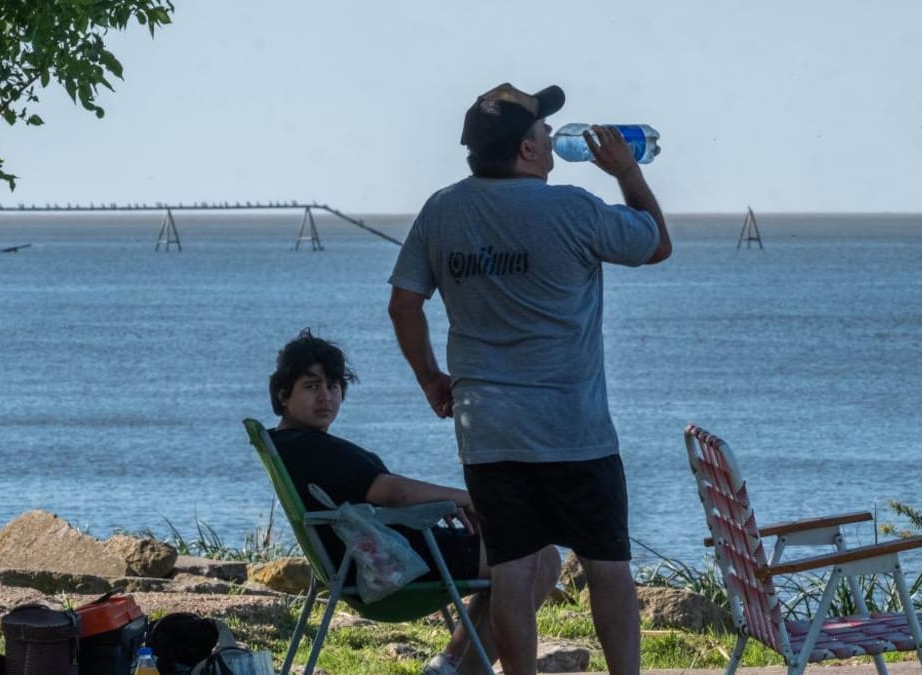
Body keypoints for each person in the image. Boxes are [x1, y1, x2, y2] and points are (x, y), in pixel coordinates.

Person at [387, 83, 672, 675]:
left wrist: (430, 378)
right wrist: (626, 172)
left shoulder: (442, 209)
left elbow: (404, 304)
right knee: (607, 566)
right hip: (574, 429)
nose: (551, 135)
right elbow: (656, 244)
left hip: (487, 431)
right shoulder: (573, 209)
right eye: (543, 129)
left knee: (513, 569)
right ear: (526, 149)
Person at [267, 328, 560, 675]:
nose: (325, 397)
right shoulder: (310, 448)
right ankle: (462, 670)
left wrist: (442, 506)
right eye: (311, 386)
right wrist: (470, 499)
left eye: (332, 386)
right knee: (538, 557)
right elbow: (394, 493)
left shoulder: (291, 444)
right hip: (393, 564)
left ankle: (450, 666)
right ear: (283, 394)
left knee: (516, 554)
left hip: (374, 553)